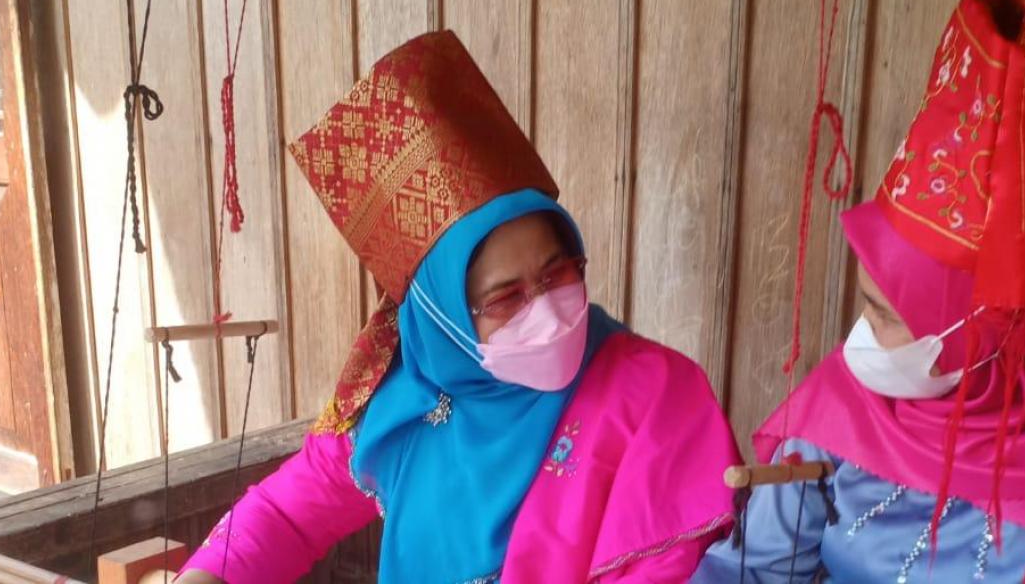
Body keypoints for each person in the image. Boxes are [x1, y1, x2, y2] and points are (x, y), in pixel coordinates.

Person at [693, 0, 1025, 583]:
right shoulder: (844, 405)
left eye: (888, 316)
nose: (861, 337)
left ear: (991, 328)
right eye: (867, 304)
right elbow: (747, 570)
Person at [177, 30, 741, 584]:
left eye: (558, 272)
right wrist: (206, 576)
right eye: (506, 298)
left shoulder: (655, 397)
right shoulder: (404, 405)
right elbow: (284, 514)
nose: (547, 312)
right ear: (443, 320)